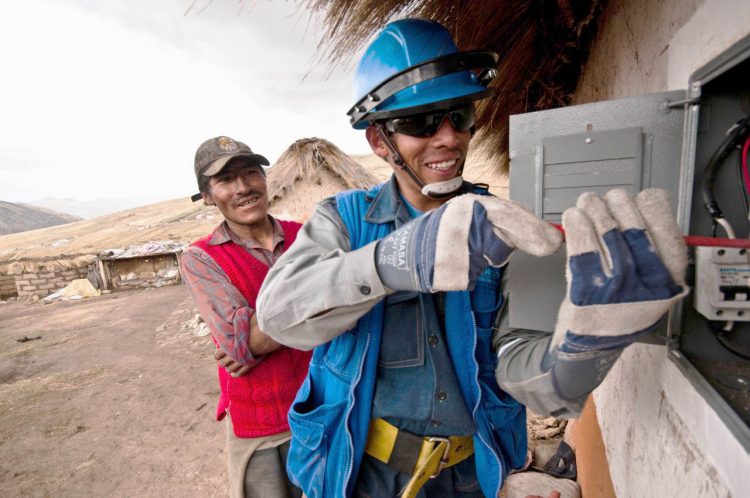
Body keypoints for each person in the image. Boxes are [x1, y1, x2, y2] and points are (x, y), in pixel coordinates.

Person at [256, 18, 688, 498]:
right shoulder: (344, 220)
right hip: (363, 473)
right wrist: (393, 260)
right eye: (420, 122)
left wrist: (585, 347)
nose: (447, 138)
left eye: (458, 115)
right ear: (380, 142)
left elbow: (524, 371)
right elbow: (279, 315)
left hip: (471, 478)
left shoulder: (500, 227)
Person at [181, 136, 311, 498]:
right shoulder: (201, 258)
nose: (243, 188)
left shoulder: (307, 236)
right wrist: (320, 299)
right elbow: (245, 342)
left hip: (326, 411)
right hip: (264, 427)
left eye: (251, 173)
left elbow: (255, 337)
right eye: (225, 180)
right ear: (207, 196)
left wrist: (256, 333)